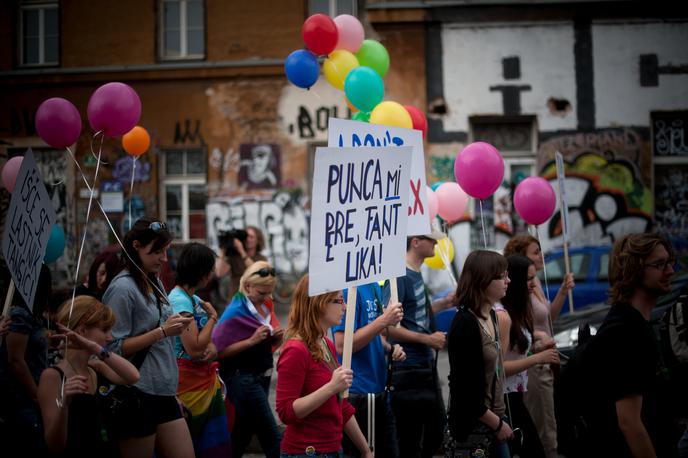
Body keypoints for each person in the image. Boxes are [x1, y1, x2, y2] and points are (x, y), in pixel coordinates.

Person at [102, 218, 194, 458]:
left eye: (165, 251)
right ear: (136, 246)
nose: (163, 258)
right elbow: (111, 348)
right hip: (137, 394)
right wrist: (162, 332)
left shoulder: (153, 280)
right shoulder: (122, 288)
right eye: (156, 251)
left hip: (164, 391)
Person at [580, 233, 678, 457]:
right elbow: (629, 423)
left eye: (669, 262)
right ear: (634, 270)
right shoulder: (625, 332)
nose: (670, 271)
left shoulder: (636, 323)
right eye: (660, 264)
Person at [276, 274, 372, 458]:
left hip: (333, 449)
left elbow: (342, 406)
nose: (344, 307)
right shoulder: (295, 350)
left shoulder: (326, 343)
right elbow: (286, 412)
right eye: (339, 301)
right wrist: (331, 387)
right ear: (320, 303)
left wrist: (366, 450)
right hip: (305, 452)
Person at [37, 295, 140, 457]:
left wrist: (92, 346)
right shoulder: (52, 376)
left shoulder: (95, 367)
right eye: (105, 330)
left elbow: (133, 376)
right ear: (82, 330)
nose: (110, 337)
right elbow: (54, 445)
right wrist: (64, 406)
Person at [503, 235, 575, 457]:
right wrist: (537, 350)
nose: (540, 256)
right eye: (535, 252)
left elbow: (547, 319)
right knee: (543, 433)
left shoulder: (533, 285)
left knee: (547, 427)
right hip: (530, 369)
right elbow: (503, 361)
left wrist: (563, 291)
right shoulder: (510, 302)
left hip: (540, 360)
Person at [386, 234, 455, 458]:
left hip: (424, 365)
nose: (437, 244)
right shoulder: (401, 276)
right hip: (409, 368)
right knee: (412, 437)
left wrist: (442, 304)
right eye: (431, 240)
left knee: (436, 431)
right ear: (415, 242)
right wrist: (428, 339)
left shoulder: (415, 273)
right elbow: (389, 327)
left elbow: (414, 317)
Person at [447, 250, 514, 458]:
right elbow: (464, 390)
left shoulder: (492, 316)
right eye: (501, 276)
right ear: (483, 280)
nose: (508, 281)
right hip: (474, 427)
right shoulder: (465, 323)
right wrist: (497, 424)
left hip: (494, 419)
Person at [212, 260, 282, 457]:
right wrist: (251, 341)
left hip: (262, 375)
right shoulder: (235, 310)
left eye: (270, 292)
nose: (267, 297)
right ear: (248, 285)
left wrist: (276, 337)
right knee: (271, 435)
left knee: (242, 433)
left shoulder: (266, 305)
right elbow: (217, 351)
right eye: (262, 293)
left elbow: (266, 340)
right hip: (243, 379)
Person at [168, 242, 230, 458]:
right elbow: (194, 348)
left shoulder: (192, 299)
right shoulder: (179, 302)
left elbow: (207, 343)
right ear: (202, 274)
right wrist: (213, 317)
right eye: (211, 269)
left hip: (202, 381)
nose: (213, 273)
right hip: (188, 384)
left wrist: (212, 349)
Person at [332, 282, 406, 457]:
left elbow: (369, 331)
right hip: (359, 392)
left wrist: (389, 348)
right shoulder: (348, 288)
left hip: (378, 390)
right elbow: (342, 345)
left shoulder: (373, 284)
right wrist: (383, 320)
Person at [495, 255, 559, 458]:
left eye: (535, 278)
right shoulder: (501, 314)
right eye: (529, 279)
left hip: (515, 393)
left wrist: (538, 346)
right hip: (503, 398)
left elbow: (515, 352)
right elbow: (500, 368)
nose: (534, 284)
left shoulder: (517, 310)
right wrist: (538, 358)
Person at [0, 264, 52, 454]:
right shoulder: (20, 314)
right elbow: (16, 361)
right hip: (22, 396)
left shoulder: (31, 314)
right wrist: (37, 394)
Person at [210, 226, 268, 312]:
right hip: (236, 302)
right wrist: (222, 252)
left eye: (251, 237)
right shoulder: (234, 257)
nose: (248, 239)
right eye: (246, 236)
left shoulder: (261, 259)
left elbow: (256, 271)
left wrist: (241, 251)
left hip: (255, 304)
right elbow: (219, 273)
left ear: (258, 240)